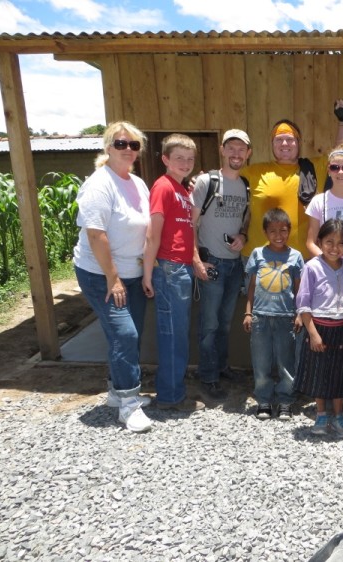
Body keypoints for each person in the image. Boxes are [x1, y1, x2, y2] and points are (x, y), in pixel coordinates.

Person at [73, 121, 153, 433]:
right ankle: (129, 405)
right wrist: (113, 278)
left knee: (123, 335)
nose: (128, 150)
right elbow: (96, 235)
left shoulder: (137, 183)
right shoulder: (99, 184)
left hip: (132, 273)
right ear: (108, 147)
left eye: (134, 145)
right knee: (125, 335)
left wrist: (145, 271)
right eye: (121, 143)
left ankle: (115, 393)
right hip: (101, 273)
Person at [143, 134, 205, 413]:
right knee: (171, 336)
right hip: (168, 267)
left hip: (181, 267)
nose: (185, 163)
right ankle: (169, 396)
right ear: (165, 159)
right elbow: (153, 232)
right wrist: (148, 272)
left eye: (190, 159)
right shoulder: (163, 187)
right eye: (179, 158)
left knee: (178, 334)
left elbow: (190, 225)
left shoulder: (181, 189)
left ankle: (174, 391)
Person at [243, 101, 343, 257]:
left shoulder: (314, 168)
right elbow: (226, 175)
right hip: (260, 260)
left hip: (303, 259)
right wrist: (199, 179)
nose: (284, 143)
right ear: (272, 144)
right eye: (278, 139)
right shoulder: (255, 171)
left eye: (290, 139)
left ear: (299, 143)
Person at [190, 129, 252, 401]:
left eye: (242, 149)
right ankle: (208, 375)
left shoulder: (246, 185)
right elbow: (190, 225)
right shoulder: (205, 182)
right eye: (232, 148)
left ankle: (222, 366)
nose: (236, 153)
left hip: (234, 265)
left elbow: (245, 222)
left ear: (248, 153)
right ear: (222, 150)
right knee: (210, 324)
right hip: (211, 262)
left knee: (225, 323)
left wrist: (243, 237)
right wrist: (196, 260)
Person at [243, 208, 304, 420]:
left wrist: (298, 314)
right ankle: (264, 400)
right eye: (273, 231)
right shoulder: (258, 254)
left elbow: (299, 289)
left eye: (283, 230)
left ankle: (285, 400)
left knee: (286, 362)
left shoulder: (295, 256)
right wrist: (248, 313)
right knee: (261, 361)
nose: (279, 235)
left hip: (286, 316)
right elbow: (251, 286)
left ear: (289, 231)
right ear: (265, 232)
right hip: (260, 315)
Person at [294, 219, 343, 436]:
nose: (334, 248)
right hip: (319, 328)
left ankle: (338, 416)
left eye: (340, 243)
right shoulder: (312, 267)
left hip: (341, 328)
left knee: (339, 374)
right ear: (319, 241)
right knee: (319, 374)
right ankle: (320, 414)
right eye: (329, 242)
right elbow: (304, 303)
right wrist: (313, 334)